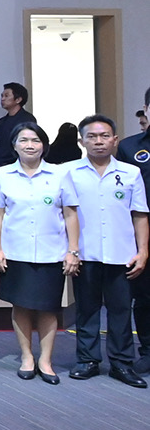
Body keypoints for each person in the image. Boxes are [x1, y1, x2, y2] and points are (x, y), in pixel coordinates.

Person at [0, 121, 78, 384]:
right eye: (24, 140)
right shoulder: (2, 174)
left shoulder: (59, 173)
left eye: (35, 140)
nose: (30, 145)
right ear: (14, 145)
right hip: (16, 251)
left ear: (44, 145)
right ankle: (27, 356)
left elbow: (70, 213)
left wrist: (73, 250)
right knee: (21, 306)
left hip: (52, 252)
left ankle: (45, 360)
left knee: (48, 308)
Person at [72, 115, 149, 387]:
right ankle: (87, 360)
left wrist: (143, 251)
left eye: (105, 136)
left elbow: (140, 214)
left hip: (122, 253)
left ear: (115, 140)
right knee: (87, 309)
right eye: (92, 136)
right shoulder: (68, 172)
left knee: (120, 310)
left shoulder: (131, 173)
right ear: (82, 141)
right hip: (85, 252)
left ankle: (121, 363)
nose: (99, 141)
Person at [115, 87, 150, 374]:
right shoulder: (129, 147)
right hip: (142, 231)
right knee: (145, 295)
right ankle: (148, 350)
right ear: (146, 110)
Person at [0, 82, 35, 168]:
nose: (2, 99)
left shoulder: (27, 119)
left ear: (18, 100)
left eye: (6, 96)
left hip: (17, 166)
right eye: (2, 96)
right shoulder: (1, 121)